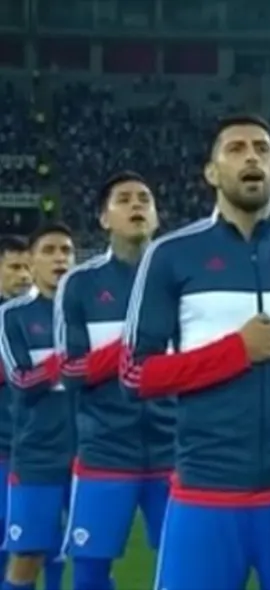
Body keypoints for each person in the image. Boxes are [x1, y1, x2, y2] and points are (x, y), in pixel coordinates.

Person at [122, 115, 270, 589]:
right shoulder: (170, 255)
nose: (251, 157)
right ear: (211, 172)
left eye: (262, 149)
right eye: (236, 148)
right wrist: (237, 351)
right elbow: (136, 374)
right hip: (205, 492)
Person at [55, 172, 173, 589]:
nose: (136, 204)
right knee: (88, 568)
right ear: (104, 218)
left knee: (187, 568)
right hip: (105, 450)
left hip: (175, 450)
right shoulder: (80, 284)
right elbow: (69, 371)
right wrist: (133, 342)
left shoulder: (181, 279)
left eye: (145, 198)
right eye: (124, 199)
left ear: (157, 216)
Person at [0, 223, 76, 590]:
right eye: (49, 251)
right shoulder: (13, 315)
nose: (60, 258)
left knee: (85, 554)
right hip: (36, 454)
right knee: (25, 553)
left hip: (92, 455)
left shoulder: (87, 310)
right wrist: (69, 360)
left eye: (66, 251)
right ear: (32, 260)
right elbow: (22, 380)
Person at [0, 236, 31, 579]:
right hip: (2, 448)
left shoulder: (46, 314)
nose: (23, 275)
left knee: (44, 542)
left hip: (38, 448)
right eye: (14, 267)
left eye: (27, 267)